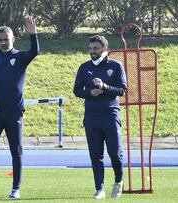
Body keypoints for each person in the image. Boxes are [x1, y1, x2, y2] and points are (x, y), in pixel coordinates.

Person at [0, 16, 39, 200]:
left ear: (13, 39)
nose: (3, 42)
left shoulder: (20, 57)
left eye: (6, 39)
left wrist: (33, 35)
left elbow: (35, 51)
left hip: (14, 113)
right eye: (0, 40)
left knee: (16, 151)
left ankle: (15, 189)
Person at [73, 35, 127, 199]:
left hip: (110, 115)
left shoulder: (116, 66)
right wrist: (90, 92)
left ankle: (118, 181)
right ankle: (100, 189)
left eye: (95, 49)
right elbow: (76, 90)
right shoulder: (84, 67)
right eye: (90, 49)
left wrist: (104, 86)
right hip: (91, 116)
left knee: (115, 153)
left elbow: (122, 90)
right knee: (96, 155)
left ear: (104, 48)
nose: (92, 52)